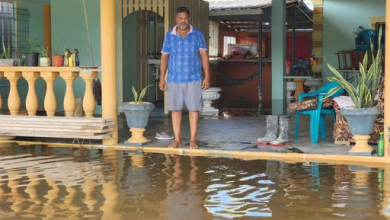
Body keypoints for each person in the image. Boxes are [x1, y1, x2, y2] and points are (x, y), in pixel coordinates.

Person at [159, 6, 210, 149]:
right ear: (176, 19)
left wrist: (207, 76)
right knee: (175, 109)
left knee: (194, 109)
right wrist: (162, 78)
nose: (183, 20)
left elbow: (204, 56)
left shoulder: (197, 35)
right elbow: (164, 57)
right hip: (174, 78)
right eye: (180, 18)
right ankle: (177, 140)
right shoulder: (169, 35)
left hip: (193, 77)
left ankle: (193, 139)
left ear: (189, 18)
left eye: (185, 18)